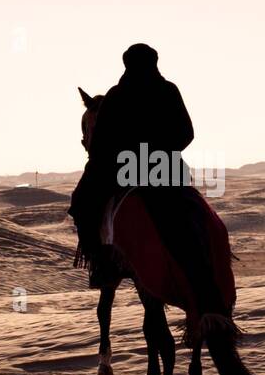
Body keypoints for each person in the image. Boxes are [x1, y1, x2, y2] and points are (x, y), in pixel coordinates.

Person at [69, 43, 202, 284]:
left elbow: (99, 146)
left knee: (81, 202)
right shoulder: (169, 90)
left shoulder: (116, 95)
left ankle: (99, 262)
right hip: (168, 171)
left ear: (126, 64)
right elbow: (187, 133)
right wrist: (163, 151)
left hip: (126, 172)